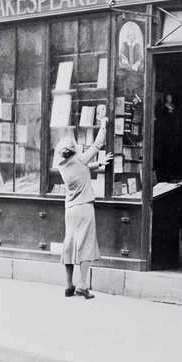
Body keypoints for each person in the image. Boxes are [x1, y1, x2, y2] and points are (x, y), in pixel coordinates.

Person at [55, 118, 112, 299]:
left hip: (70, 209)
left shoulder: (62, 166)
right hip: (84, 208)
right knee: (86, 245)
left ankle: (68, 285)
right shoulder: (80, 159)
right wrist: (103, 124)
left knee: (69, 245)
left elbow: (82, 169)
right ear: (74, 149)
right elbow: (97, 144)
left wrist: (98, 165)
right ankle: (82, 285)